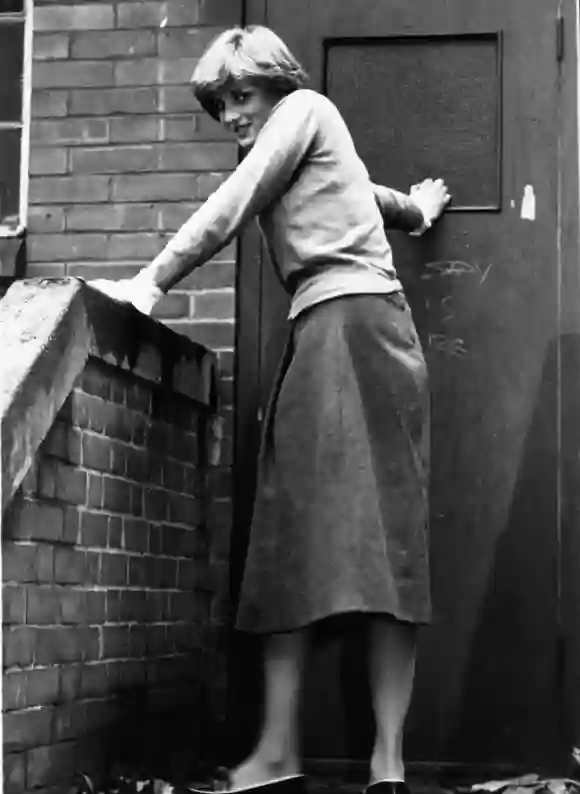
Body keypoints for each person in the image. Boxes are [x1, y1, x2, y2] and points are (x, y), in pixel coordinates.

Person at [90, 25, 450, 794]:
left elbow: (235, 202)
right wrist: (414, 212)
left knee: (340, 541)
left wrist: (149, 284)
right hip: (359, 334)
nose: (231, 115)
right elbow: (366, 192)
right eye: (220, 103)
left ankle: (335, 756)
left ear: (278, 85)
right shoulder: (316, 133)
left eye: (241, 95)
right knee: (325, 541)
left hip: (350, 332)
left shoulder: (304, 110)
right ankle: (351, 761)